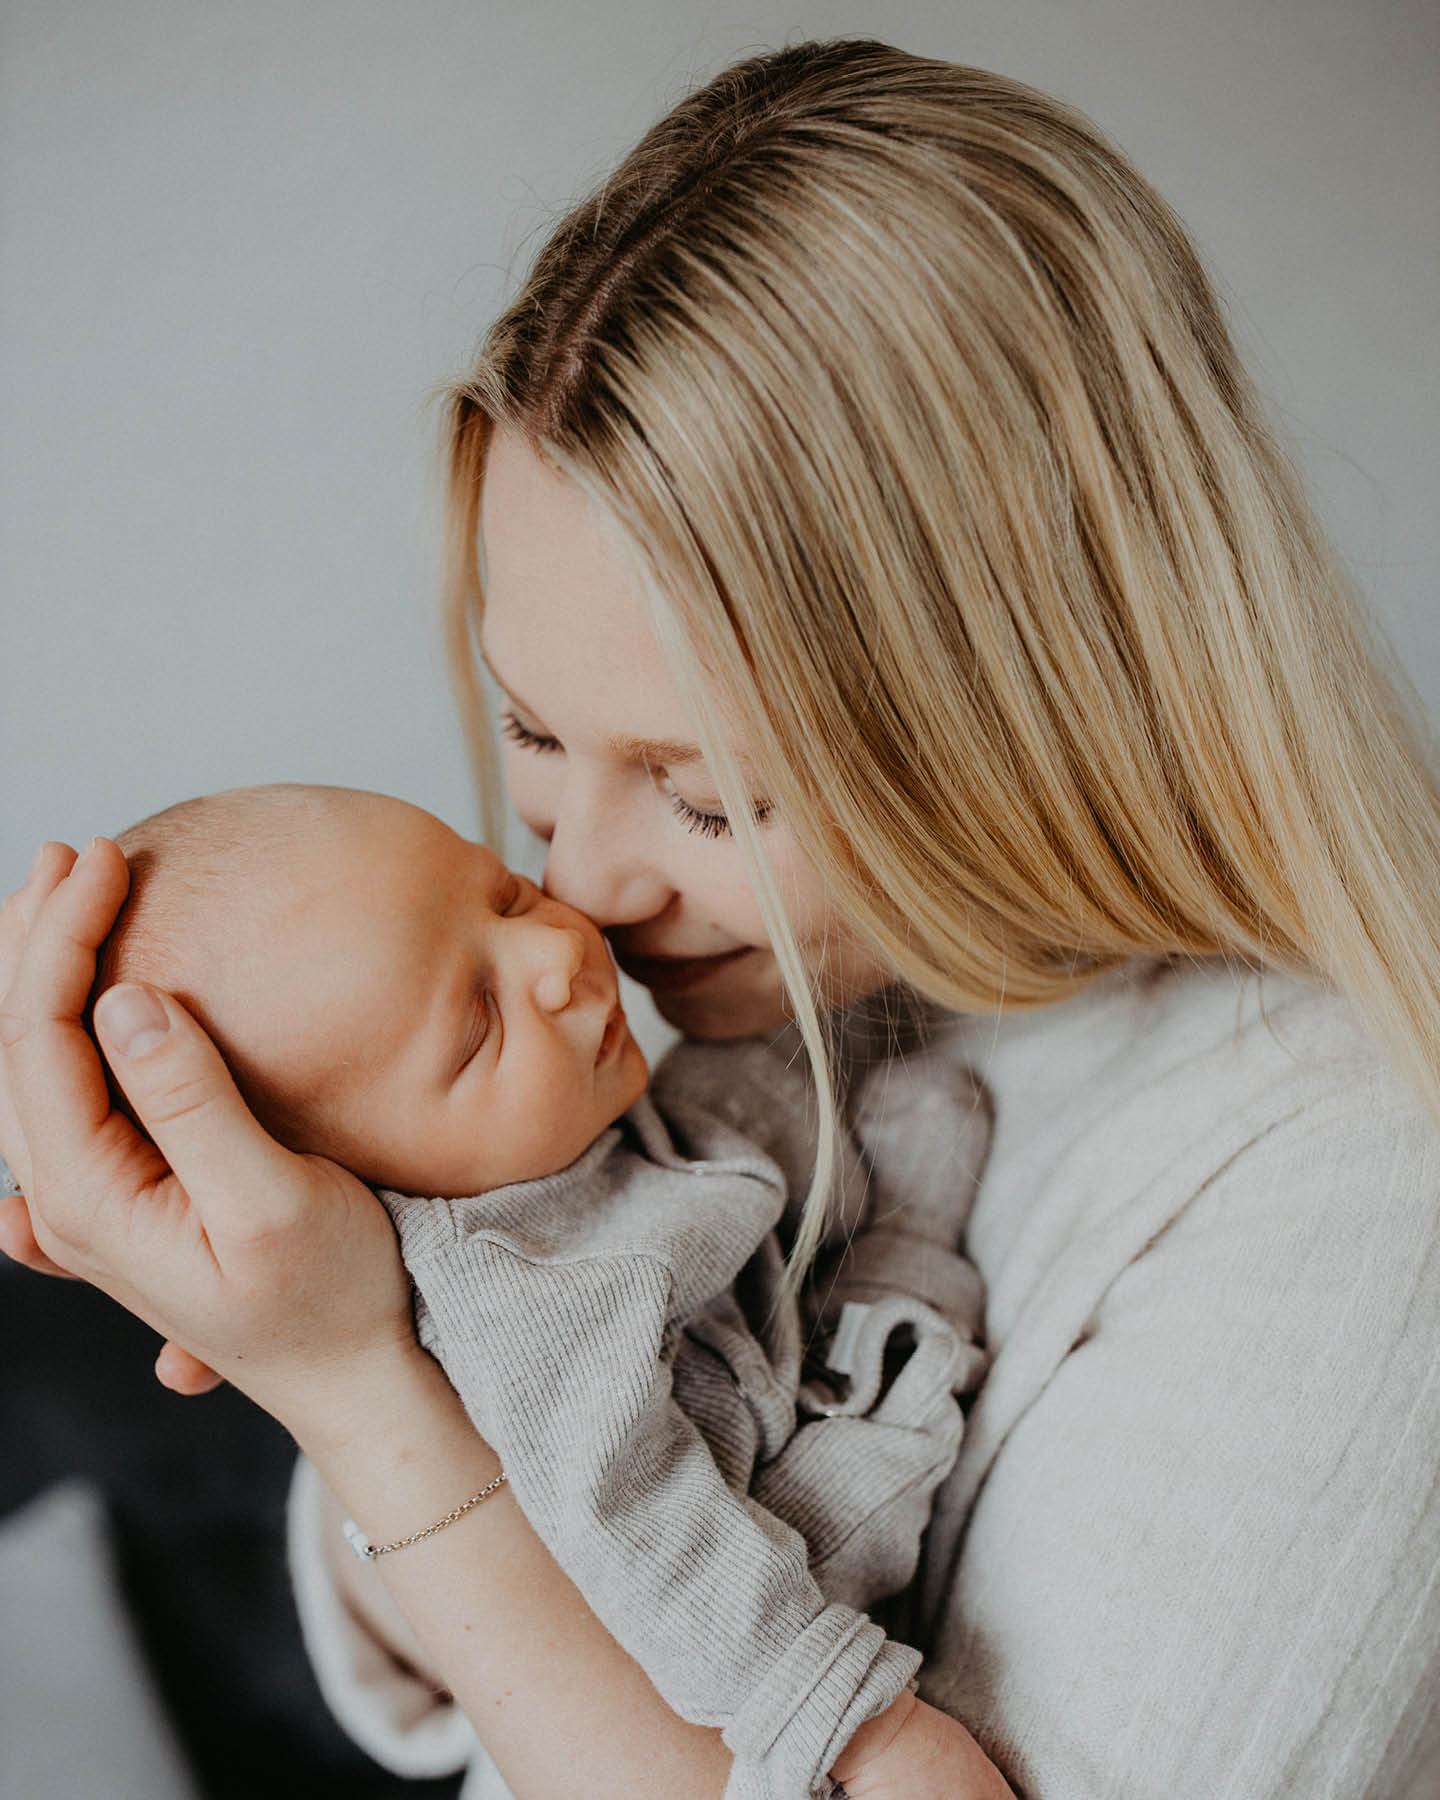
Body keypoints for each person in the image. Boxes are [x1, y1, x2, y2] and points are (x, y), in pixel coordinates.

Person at [3, 35, 1440, 1799]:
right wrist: (333, 1306)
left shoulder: (1357, 1190)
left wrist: (363, 1396)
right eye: (531, 731)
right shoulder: (734, 979)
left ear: (1046, 699)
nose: (587, 894)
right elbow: (441, 1634)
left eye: (708, 797)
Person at [90, 779, 988, 1796]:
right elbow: (651, 1530)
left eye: (507, 895)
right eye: (478, 1023)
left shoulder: (565, 1138)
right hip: (721, 1685)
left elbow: (752, 1124)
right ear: (349, 1185)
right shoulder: (517, 1299)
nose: (559, 956)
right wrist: (861, 1728)